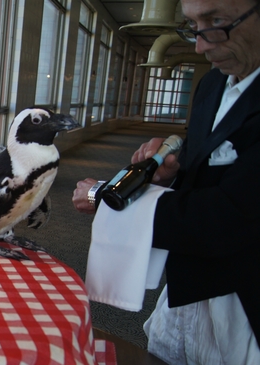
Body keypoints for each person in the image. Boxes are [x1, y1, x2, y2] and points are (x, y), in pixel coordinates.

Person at [72, 0, 260, 363]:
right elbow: (205, 164)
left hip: (244, 300)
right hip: (188, 285)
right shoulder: (212, 83)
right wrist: (172, 173)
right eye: (192, 25)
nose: (200, 46)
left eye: (216, 21)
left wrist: (104, 197)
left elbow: (229, 217)